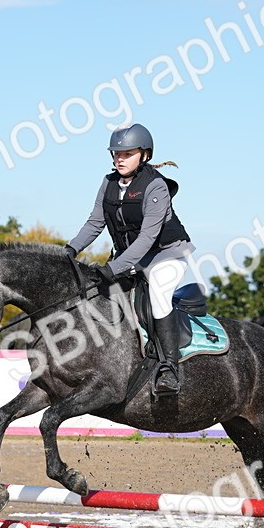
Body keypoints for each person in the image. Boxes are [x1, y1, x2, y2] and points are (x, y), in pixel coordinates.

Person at [65, 123, 197, 395]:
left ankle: (169, 368)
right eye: (116, 154)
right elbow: (94, 223)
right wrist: (69, 249)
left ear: (144, 155)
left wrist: (114, 267)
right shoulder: (109, 182)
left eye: (127, 154)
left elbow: (147, 238)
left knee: (159, 293)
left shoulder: (155, 186)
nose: (119, 159)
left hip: (167, 254)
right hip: (131, 260)